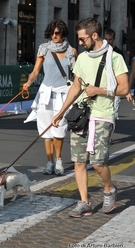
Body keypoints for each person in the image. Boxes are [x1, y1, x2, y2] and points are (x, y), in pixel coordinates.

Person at [52, 18, 128, 218]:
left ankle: (109, 189)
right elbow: (75, 88)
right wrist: (60, 113)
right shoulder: (83, 58)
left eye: (83, 38)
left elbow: (124, 88)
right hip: (81, 115)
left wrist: (99, 90)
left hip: (103, 115)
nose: (80, 42)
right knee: (78, 161)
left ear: (94, 35)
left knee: (98, 162)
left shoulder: (115, 58)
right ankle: (84, 202)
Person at [23, 20, 77, 176]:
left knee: (59, 129)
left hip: (63, 94)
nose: (54, 35)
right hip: (45, 93)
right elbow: (35, 71)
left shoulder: (72, 51)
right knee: (45, 129)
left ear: (63, 33)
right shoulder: (44, 49)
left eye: (58, 32)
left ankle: (59, 160)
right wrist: (28, 82)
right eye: (52, 32)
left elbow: (76, 76)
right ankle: (49, 162)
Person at [104, 28, 125, 119]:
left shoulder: (119, 53)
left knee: (114, 109)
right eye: (106, 39)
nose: (108, 42)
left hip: (116, 84)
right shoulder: (101, 51)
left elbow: (123, 71)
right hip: (103, 83)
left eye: (110, 39)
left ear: (114, 39)